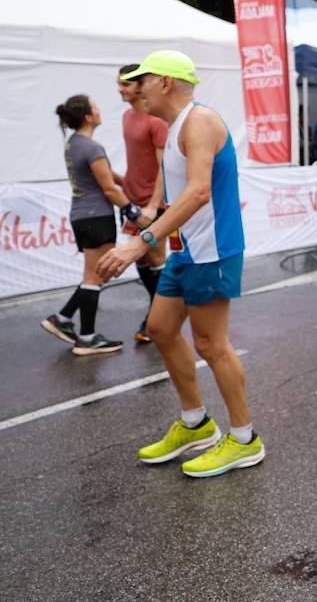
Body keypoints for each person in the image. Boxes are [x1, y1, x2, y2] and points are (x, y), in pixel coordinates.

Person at [97, 51, 264, 477]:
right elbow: (179, 197)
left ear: (167, 82)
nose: (136, 89)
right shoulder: (174, 129)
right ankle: (196, 424)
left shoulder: (200, 121)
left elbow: (199, 193)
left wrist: (139, 243)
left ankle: (245, 440)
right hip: (186, 249)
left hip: (214, 251)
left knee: (212, 344)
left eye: (143, 80)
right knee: (161, 329)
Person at [42, 95, 141, 356]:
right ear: (88, 116)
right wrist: (132, 211)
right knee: (95, 276)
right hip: (97, 216)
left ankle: (63, 318)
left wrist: (128, 181)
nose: (99, 109)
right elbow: (108, 187)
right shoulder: (92, 147)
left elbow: (108, 177)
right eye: (95, 106)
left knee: (96, 274)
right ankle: (86, 337)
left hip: (82, 216)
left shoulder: (73, 144)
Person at [117, 64, 169, 343]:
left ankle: (159, 318)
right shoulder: (127, 116)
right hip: (133, 200)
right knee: (142, 259)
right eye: (119, 83)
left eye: (125, 84)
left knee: (156, 258)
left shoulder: (155, 120)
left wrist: (153, 204)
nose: (120, 89)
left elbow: (163, 165)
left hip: (153, 203)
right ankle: (157, 313)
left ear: (139, 86)